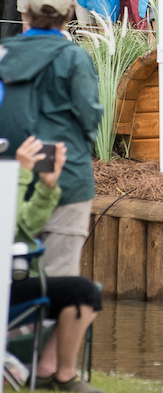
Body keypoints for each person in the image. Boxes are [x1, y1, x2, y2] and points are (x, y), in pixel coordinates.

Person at [0, 0, 104, 280]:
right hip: (66, 177)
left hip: (10, 179)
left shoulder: (4, 54)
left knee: (10, 288)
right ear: (69, 13)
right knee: (62, 287)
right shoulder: (74, 57)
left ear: (28, 11)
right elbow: (90, 117)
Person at [11, 136, 104, 393]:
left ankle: (60, 374)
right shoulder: (12, 177)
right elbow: (5, 225)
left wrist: (47, 187)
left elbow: (25, 226)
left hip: (12, 283)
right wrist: (21, 175)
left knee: (85, 292)